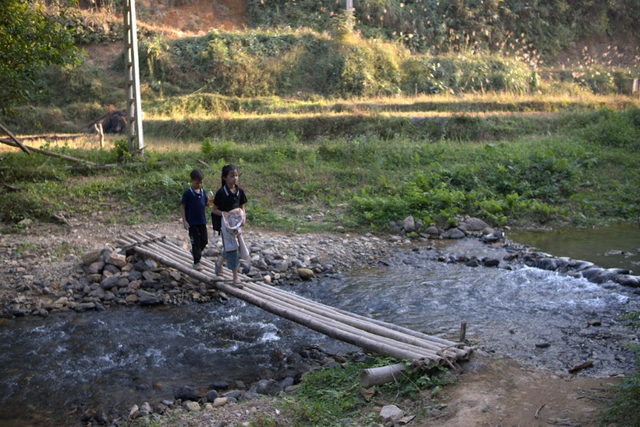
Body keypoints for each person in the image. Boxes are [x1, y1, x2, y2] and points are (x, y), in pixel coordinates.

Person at [212, 164, 248, 287]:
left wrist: (243, 217)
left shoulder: (240, 191)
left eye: (236, 175)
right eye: (232, 176)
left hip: (236, 225)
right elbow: (214, 210)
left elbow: (242, 207)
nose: (235, 178)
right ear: (224, 178)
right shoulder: (221, 193)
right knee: (232, 249)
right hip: (226, 225)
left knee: (232, 246)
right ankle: (235, 278)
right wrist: (225, 214)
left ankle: (219, 263)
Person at [180, 169, 209, 271]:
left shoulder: (203, 192)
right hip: (192, 222)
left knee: (204, 240)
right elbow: (182, 206)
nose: (199, 185)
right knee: (195, 241)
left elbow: (205, 203)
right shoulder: (188, 193)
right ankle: (196, 261)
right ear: (191, 181)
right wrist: (185, 221)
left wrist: (209, 203)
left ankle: (196, 252)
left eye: (201, 182)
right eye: (197, 183)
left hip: (202, 221)